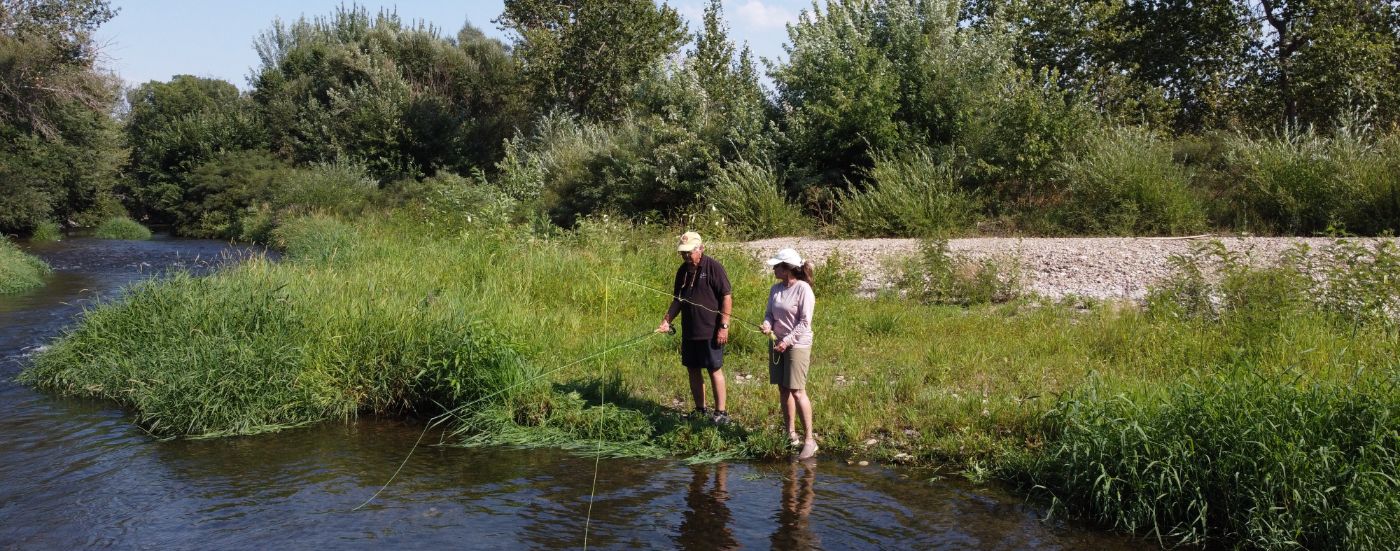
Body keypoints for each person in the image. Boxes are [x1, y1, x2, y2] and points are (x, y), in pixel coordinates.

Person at [657, 231, 733, 424]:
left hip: (710, 330)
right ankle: (700, 409)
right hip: (690, 330)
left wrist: (724, 326)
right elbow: (678, 300)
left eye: (689, 252)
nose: (686, 256)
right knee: (692, 369)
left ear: (701, 249)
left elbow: (726, 296)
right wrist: (667, 320)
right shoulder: (682, 271)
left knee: (714, 368)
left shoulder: (714, 267)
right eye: (683, 253)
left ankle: (721, 413)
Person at [760, 248, 818, 460]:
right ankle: (790, 434)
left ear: (787, 269)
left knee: (797, 391)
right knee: (783, 389)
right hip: (777, 343)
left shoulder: (803, 289)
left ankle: (810, 440)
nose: (773, 268)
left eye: (777, 266)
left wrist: (787, 341)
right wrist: (767, 325)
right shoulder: (775, 289)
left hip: (797, 345)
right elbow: (769, 313)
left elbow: (805, 323)